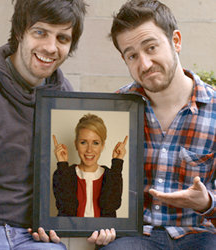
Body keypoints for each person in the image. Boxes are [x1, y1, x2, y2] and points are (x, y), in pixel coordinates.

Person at [0, 0, 87, 249]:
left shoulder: (64, 95)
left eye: (62, 38)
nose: (51, 47)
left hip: (33, 237)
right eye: (40, 32)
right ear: (21, 31)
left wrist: (62, 222)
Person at [101, 0, 216, 249]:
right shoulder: (115, 108)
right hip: (133, 236)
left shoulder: (215, 109)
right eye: (132, 55)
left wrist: (206, 201)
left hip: (198, 234)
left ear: (175, 41)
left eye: (151, 47)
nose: (144, 64)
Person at [53, 113, 128, 218]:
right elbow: (65, 208)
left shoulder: (111, 175)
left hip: (103, 233)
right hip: (72, 234)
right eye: (83, 142)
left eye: (95, 143)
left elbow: (111, 206)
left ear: (102, 146)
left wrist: (117, 163)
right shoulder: (63, 173)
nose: (89, 150)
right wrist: (62, 165)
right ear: (76, 144)